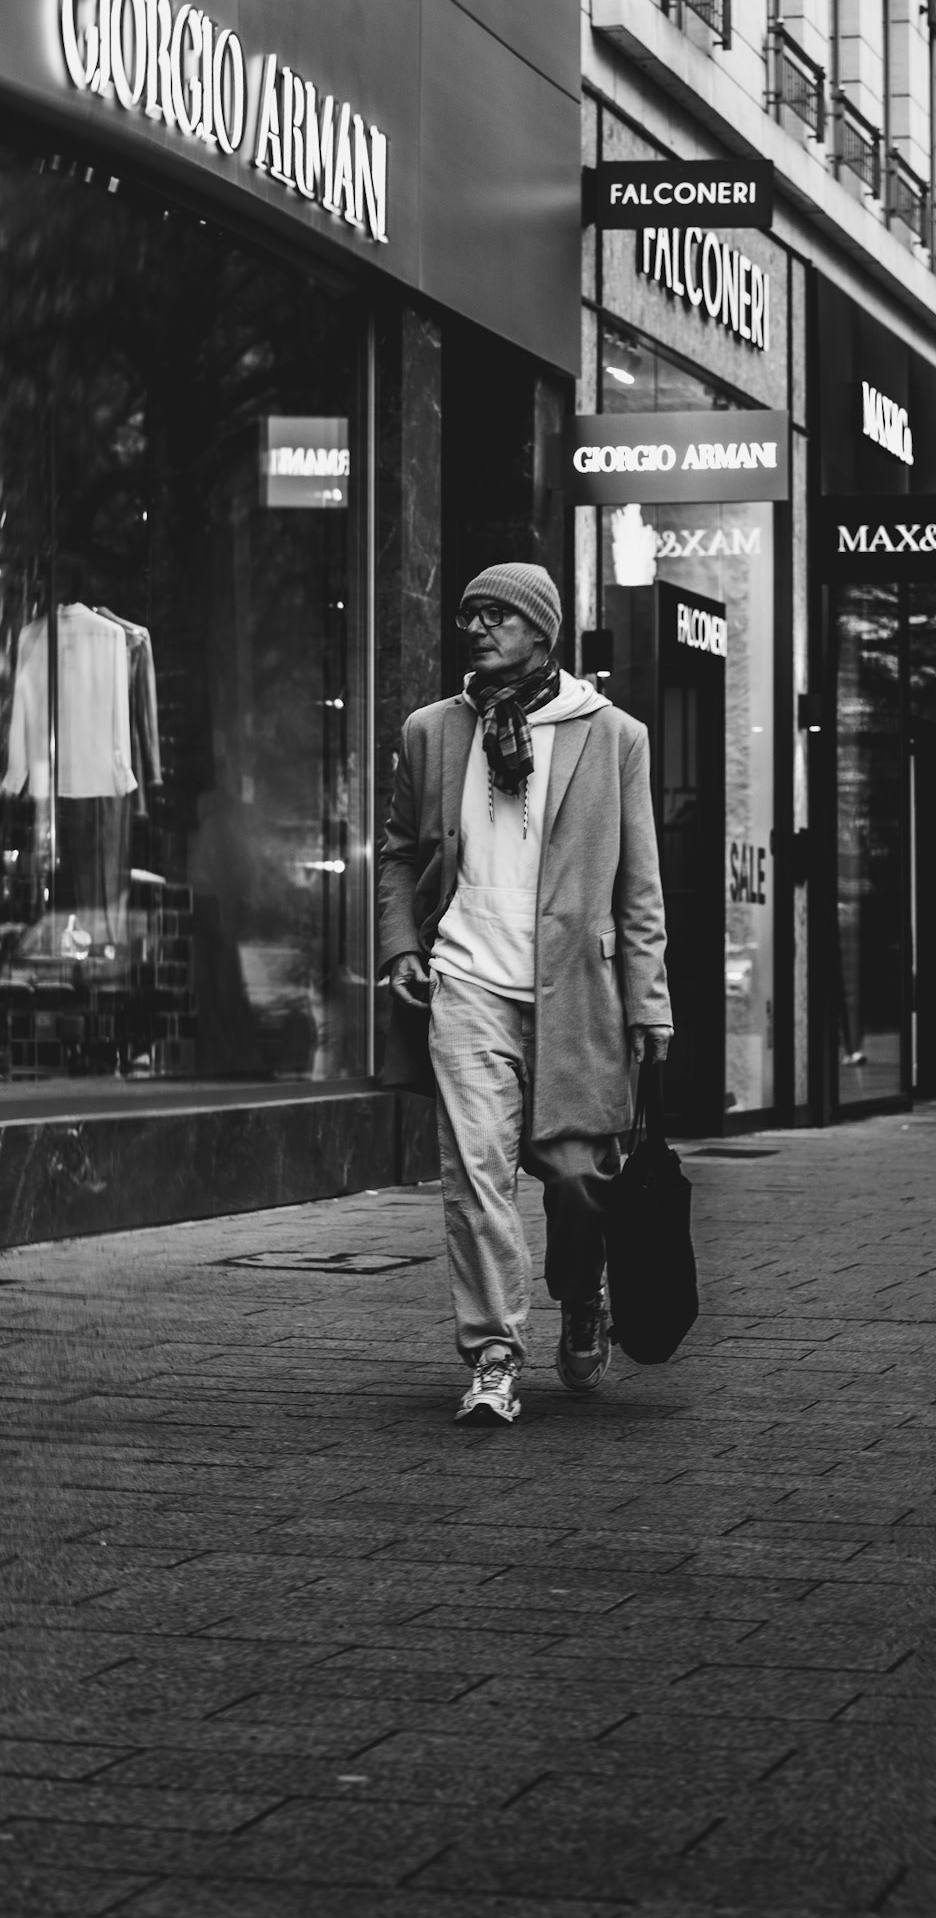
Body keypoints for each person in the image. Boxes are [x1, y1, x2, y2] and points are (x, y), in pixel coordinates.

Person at [378, 560, 673, 1427]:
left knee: (579, 1181)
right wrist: (402, 944)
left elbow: (640, 885)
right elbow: (400, 852)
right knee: (476, 1177)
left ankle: (582, 1296)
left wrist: (649, 1001)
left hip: (578, 993)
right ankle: (494, 1353)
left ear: (542, 632)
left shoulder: (613, 736)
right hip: (468, 981)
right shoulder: (433, 731)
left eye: (496, 616)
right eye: (468, 615)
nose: (475, 628)